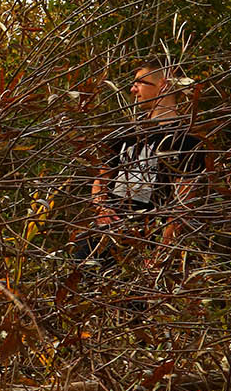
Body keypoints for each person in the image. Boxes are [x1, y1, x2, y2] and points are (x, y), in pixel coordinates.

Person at [87, 58, 204, 266]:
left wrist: (161, 254)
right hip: (104, 237)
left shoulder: (187, 142)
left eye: (139, 82)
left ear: (164, 84)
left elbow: (182, 206)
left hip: (145, 245)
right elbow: (100, 180)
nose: (133, 89)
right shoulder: (125, 134)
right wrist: (102, 209)